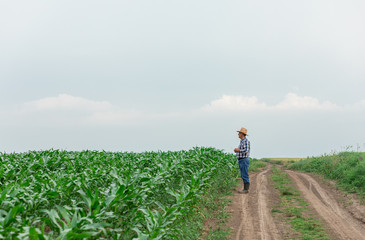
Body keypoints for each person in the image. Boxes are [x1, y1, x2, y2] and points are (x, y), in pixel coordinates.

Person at [234, 127, 251, 193]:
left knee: (244, 174)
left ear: (242, 134)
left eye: (239, 133)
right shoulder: (242, 141)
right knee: (243, 174)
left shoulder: (246, 141)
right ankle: (245, 189)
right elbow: (242, 150)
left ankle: (246, 190)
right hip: (241, 160)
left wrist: (238, 150)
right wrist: (237, 151)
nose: (238, 134)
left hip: (244, 160)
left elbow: (246, 150)